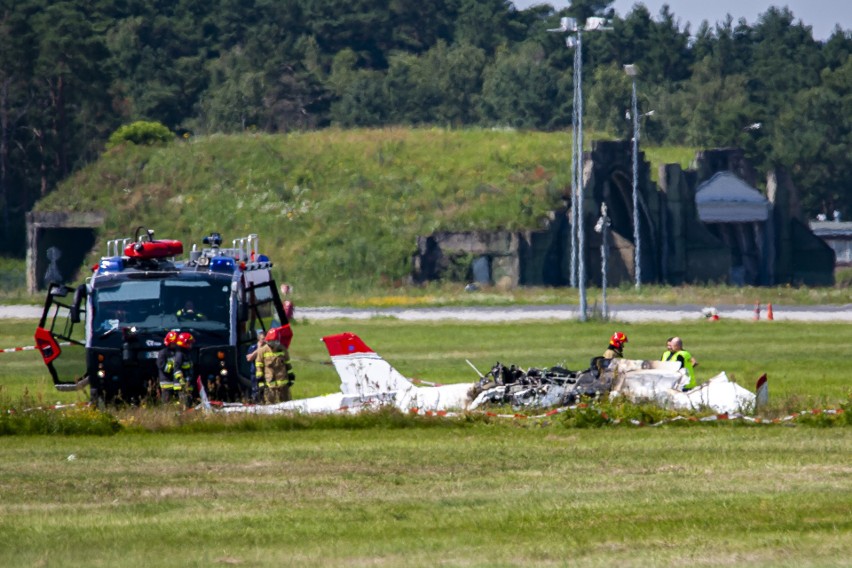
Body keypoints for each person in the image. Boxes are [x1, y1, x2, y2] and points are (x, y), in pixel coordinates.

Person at [249, 327, 295, 403]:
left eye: (275, 341)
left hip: (283, 384)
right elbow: (259, 365)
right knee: (270, 404)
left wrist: (291, 376)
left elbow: (287, 364)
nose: (273, 344)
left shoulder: (283, 349)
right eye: (271, 342)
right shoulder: (262, 351)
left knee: (287, 404)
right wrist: (260, 381)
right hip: (269, 384)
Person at [158, 330, 195, 405]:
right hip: (167, 381)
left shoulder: (179, 353)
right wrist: (174, 369)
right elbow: (163, 366)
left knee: (184, 400)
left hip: (177, 381)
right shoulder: (163, 353)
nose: (175, 344)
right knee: (167, 400)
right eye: (174, 343)